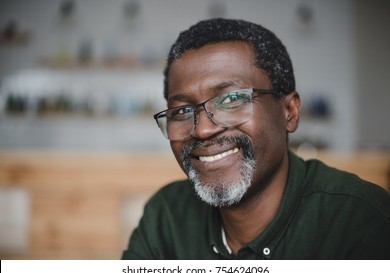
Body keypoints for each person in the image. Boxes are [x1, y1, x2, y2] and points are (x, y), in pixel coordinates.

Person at [122, 18, 390, 259]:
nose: (203, 130)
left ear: (290, 112)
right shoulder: (166, 216)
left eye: (231, 99)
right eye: (181, 111)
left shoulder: (363, 222)